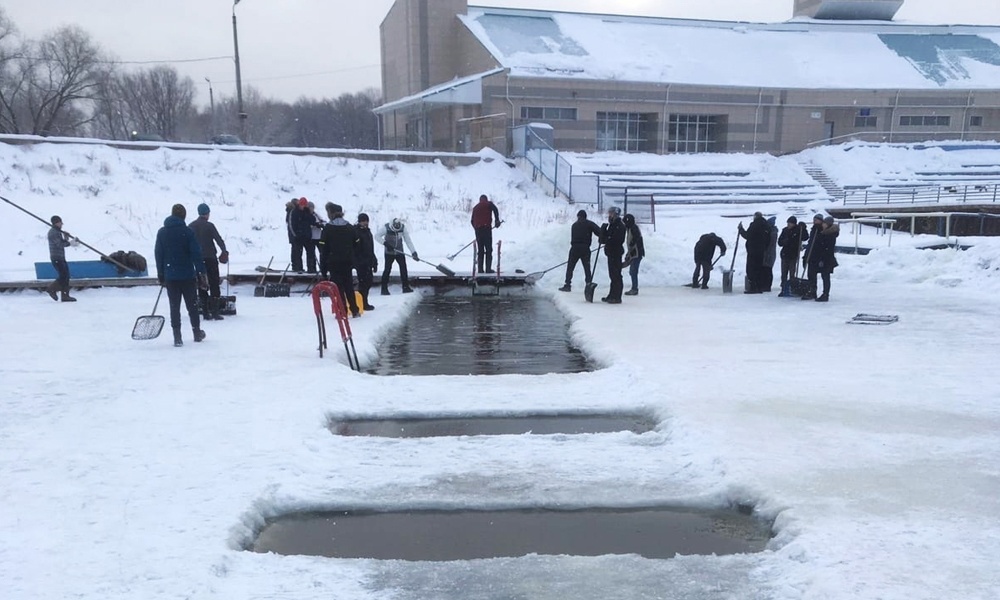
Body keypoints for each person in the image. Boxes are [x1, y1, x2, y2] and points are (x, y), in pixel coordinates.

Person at [154, 204, 207, 347]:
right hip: (187, 276)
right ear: (183, 216)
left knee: (174, 307)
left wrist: (161, 273)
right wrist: (201, 272)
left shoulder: (162, 233)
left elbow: (159, 254)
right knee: (192, 306)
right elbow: (196, 254)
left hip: (171, 276)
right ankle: (196, 332)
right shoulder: (188, 232)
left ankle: (177, 337)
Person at [318, 203, 360, 317]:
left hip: (333, 263)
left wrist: (323, 269)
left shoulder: (328, 229)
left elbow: (323, 249)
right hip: (347, 262)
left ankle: (342, 311)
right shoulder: (350, 227)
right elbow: (357, 244)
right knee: (349, 287)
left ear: (331, 213)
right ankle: (354, 310)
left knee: (338, 288)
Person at [188, 203, 229, 321]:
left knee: (202, 285)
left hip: (198, 260)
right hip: (211, 259)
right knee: (214, 284)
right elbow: (218, 239)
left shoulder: (191, 226)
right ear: (207, 213)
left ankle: (205, 312)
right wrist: (224, 251)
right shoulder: (209, 226)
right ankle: (215, 312)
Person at [559, 209, 601, 292]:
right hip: (585, 249)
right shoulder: (589, 224)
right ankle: (588, 284)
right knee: (587, 268)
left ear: (578, 216)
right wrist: (604, 238)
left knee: (570, 267)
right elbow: (599, 232)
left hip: (574, 248)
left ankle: (567, 285)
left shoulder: (574, 225)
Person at [377, 217, 418, 295]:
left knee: (403, 269)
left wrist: (413, 252)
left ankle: (405, 287)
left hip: (400, 252)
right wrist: (385, 243)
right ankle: (384, 289)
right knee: (387, 269)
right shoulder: (386, 228)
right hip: (389, 253)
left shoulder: (403, 228)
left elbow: (408, 240)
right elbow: (377, 236)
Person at [803, 215, 840, 302]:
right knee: (812, 274)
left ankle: (825, 294)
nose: (823, 224)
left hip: (825, 259)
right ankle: (812, 291)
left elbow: (828, 249)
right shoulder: (821, 232)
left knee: (825, 276)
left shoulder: (830, 234)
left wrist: (822, 259)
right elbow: (812, 244)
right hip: (816, 257)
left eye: (824, 223)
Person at [45, 215, 77, 302]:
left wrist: (66, 238)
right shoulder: (53, 232)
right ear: (56, 223)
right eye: (60, 222)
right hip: (56, 258)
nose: (62, 224)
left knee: (66, 276)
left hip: (61, 257)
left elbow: (62, 242)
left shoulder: (57, 231)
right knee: (63, 276)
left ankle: (65, 295)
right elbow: (59, 245)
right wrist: (71, 243)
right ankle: (51, 289)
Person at [737, 211, 770, 294]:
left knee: (751, 269)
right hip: (761, 251)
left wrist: (741, 230)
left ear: (755, 217)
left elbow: (748, 235)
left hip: (753, 251)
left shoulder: (754, 225)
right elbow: (768, 238)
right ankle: (759, 287)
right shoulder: (766, 225)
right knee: (759, 269)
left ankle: (753, 287)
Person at [599, 205, 626, 304]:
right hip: (611, 252)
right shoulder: (613, 224)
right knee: (612, 275)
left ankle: (617, 296)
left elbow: (616, 239)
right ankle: (612, 294)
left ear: (615, 214)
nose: (609, 215)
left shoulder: (619, 225)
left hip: (616, 252)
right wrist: (603, 231)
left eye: (610, 213)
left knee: (616, 275)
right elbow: (607, 237)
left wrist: (608, 239)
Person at [777, 216, 808, 296]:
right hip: (785, 254)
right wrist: (784, 242)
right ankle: (783, 289)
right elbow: (779, 242)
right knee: (784, 273)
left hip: (793, 255)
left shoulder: (798, 230)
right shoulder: (785, 230)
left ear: (794, 224)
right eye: (788, 223)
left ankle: (792, 288)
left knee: (792, 273)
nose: (789, 224)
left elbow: (805, 237)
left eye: (790, 223)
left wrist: (804, 228)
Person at [471, 194, 501, 273]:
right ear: (486, 199)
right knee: (488, 249)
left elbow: (472, 221)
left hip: (478, 230)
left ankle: (480, 270)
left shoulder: (475, 207)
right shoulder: (489, 204)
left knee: (480, 250)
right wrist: (497, 220)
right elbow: (495, 210)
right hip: (486, 229)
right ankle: (488, 269)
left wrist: (477, 229)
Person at [354, 212, 378, 311]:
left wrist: (374, 261)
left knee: (368, 282)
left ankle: (364, 301)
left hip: (368, 261)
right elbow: (355, 249)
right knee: (363, 283)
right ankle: (362, 303)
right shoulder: (356, 232)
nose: (365, 223)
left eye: (366, 221)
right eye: (363, 221)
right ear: (359, 222)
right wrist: (357, 262)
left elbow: (371, 249)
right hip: (361, 262)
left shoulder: (368, 232)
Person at [287, 197, 313, 273]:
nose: (303, 206)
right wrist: (295, 235)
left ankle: (311, 268)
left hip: (307, 236)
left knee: (310, 253)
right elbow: (291, 225)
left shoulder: (307, 212)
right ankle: (297, 268)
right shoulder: (294, 212)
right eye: (302, 205)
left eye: (304, 205)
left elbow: (311, 220)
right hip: (298, 237)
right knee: (297, 253)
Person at [622, 213, 645, 296]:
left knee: (633, 271)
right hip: (634, 253)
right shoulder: (630, 229)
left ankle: (634, 289)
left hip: (637, 254)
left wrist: (630, 253)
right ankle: (634, 287)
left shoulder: (633, 229)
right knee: (632, 271)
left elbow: (635, 242)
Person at [305, 201, 325, 274]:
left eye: (312, 207)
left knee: (322, 253)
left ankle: (323, 267)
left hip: (319, 236)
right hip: (311, 237)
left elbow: (323, 221)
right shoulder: (306, 215)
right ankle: (311, 268)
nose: (311, 209)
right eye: (310, 207)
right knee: (311, 254)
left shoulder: (316, 215)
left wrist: (320, 224)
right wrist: (315, 225)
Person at [761, 216, 779, 292]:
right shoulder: (771, 231)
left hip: (769, 253)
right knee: (766, 269)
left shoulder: (772, 232)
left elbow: (770, 244)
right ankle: (765, 285)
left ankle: (767, 286)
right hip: (768, 253)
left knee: (768, 270)